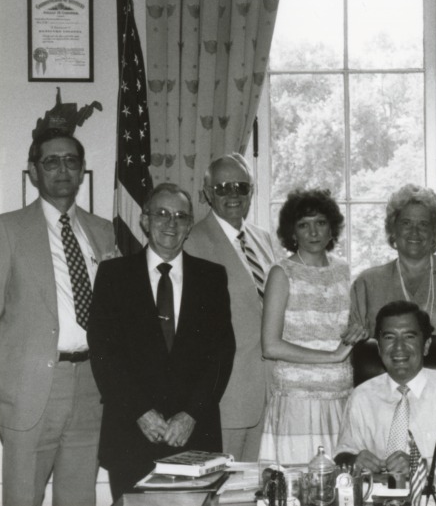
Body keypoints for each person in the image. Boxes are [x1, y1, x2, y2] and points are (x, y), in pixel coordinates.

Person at [88, 183, 235, 500]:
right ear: (144, 220)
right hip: (131, 431)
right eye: (162, 214)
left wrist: (190, 414)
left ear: (190, 226)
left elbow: (221, 355)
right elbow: (104, 354)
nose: (171, 223)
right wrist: (141, 412)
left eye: (181, 216)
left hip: (194, 433)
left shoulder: (212, 277)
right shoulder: (114, 275)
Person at [0, 128, 115, 506]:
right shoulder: (7, 230)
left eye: (71, 161)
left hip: (92, 387)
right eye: (51, 161)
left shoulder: (102, 230)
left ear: (82, 171)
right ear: (34, 172)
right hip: (31, 391)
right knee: (23, 496)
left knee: (80, 497)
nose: (62, 169)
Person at [184, 153, 278, 461]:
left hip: (271, 388)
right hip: (225, 394)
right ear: (208, 193)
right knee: (222, 489)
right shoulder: (192, 242)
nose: (233, 195)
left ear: (252, 191)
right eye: (223, 187)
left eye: (241, 186)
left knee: (257, 487)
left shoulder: (263, 239)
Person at [335, 300, 436, 474]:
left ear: (426, 345)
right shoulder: (361, 396)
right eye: (389, 337)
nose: (398, 347)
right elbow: (343, 452)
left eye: (409, 337)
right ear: (379, 348)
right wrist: (353, 460)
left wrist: (419, 465)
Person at [259, 189, 353, 464]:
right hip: (298, 401)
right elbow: (270, 345)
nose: (313, 232)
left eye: (320, 223)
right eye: (304, 225)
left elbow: (350, 333)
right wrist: (333, 357)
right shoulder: (282, 273)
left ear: (331, 228)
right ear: (293, 232)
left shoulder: (344, 270)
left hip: (340, 397)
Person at [347, 184, 436, 343]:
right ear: (393, 229)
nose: (414, 231)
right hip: (389, 368)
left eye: (423, 224)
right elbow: (354, 341)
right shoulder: (367, 283)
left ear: (434, 232)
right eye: (406, 223)